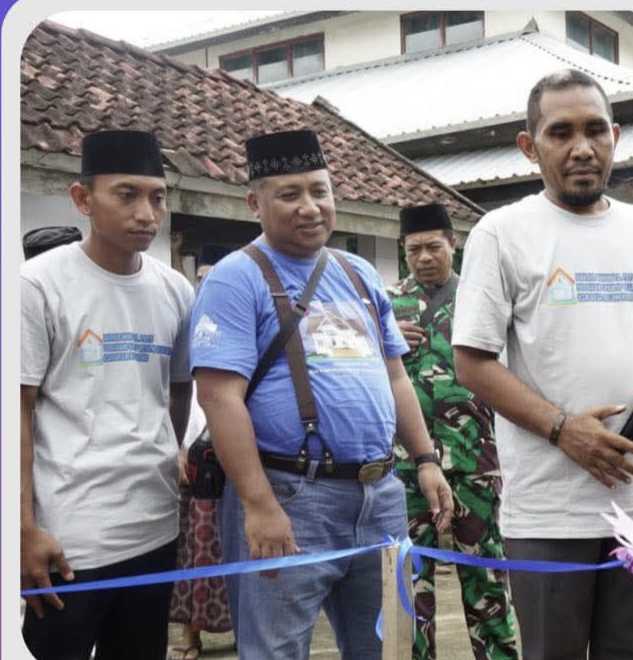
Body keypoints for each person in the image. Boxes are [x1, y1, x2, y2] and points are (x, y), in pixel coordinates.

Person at [452, 69, 633, 660]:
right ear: (530, 146)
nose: (582, 148)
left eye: (595, 130)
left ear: (615, 137)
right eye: (561, 133)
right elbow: (472, 362)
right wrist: (563, 430)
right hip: (549, 513)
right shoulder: (501, 233)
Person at [190, 129, 453, 660]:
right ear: (254, 203)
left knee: (386, 647)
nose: (310, 207)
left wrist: (425, 460)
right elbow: (219, 398)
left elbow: (395, 376)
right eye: (290, 194)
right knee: (276, 652)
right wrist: (259, 505)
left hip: (379, 496)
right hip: (289, 495)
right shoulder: (235, 279)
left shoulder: (358, 273)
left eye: (320, 191)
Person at [20, 129, 194, 659]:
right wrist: (22, 528)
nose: (147, 213)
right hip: (69, 538)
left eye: (157, 197)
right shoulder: (37, 285)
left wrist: (173, 450)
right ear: (83, 199)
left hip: (154, 528)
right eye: (127, 195)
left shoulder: (175, 290)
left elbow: (179, 388)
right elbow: (12, 412)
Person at [388, 203, 520, 660]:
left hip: (475, 461)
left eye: (433, 247)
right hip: (408, 467)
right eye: (413, 250)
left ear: (452, 243)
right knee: (410, 579)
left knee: (485, 576)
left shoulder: (480, 299)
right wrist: (384, 342)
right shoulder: (386, 305)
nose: (424, 257)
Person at [166, 247, 233, 660]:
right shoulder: (183, 330)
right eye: (200, 279)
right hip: (192, 463)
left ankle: (245, 630)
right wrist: (176, 448)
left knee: (239, 555)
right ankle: (191, 636)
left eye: (213, 278)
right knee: (193, 554)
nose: (205, 286)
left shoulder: (240, 326)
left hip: (234, 463)